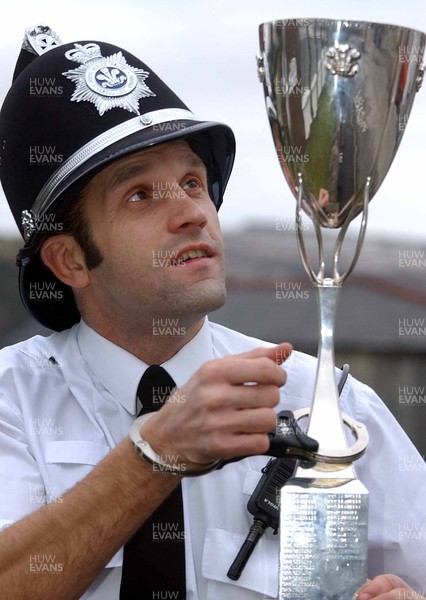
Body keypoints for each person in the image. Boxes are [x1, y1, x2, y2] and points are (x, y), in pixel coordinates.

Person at [0, 25, 425, 600]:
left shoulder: (331, 404)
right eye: (140, 195)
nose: (192, 214)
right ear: (69, 259)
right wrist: (156, 452)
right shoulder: (12, 404)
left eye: (193, 182)